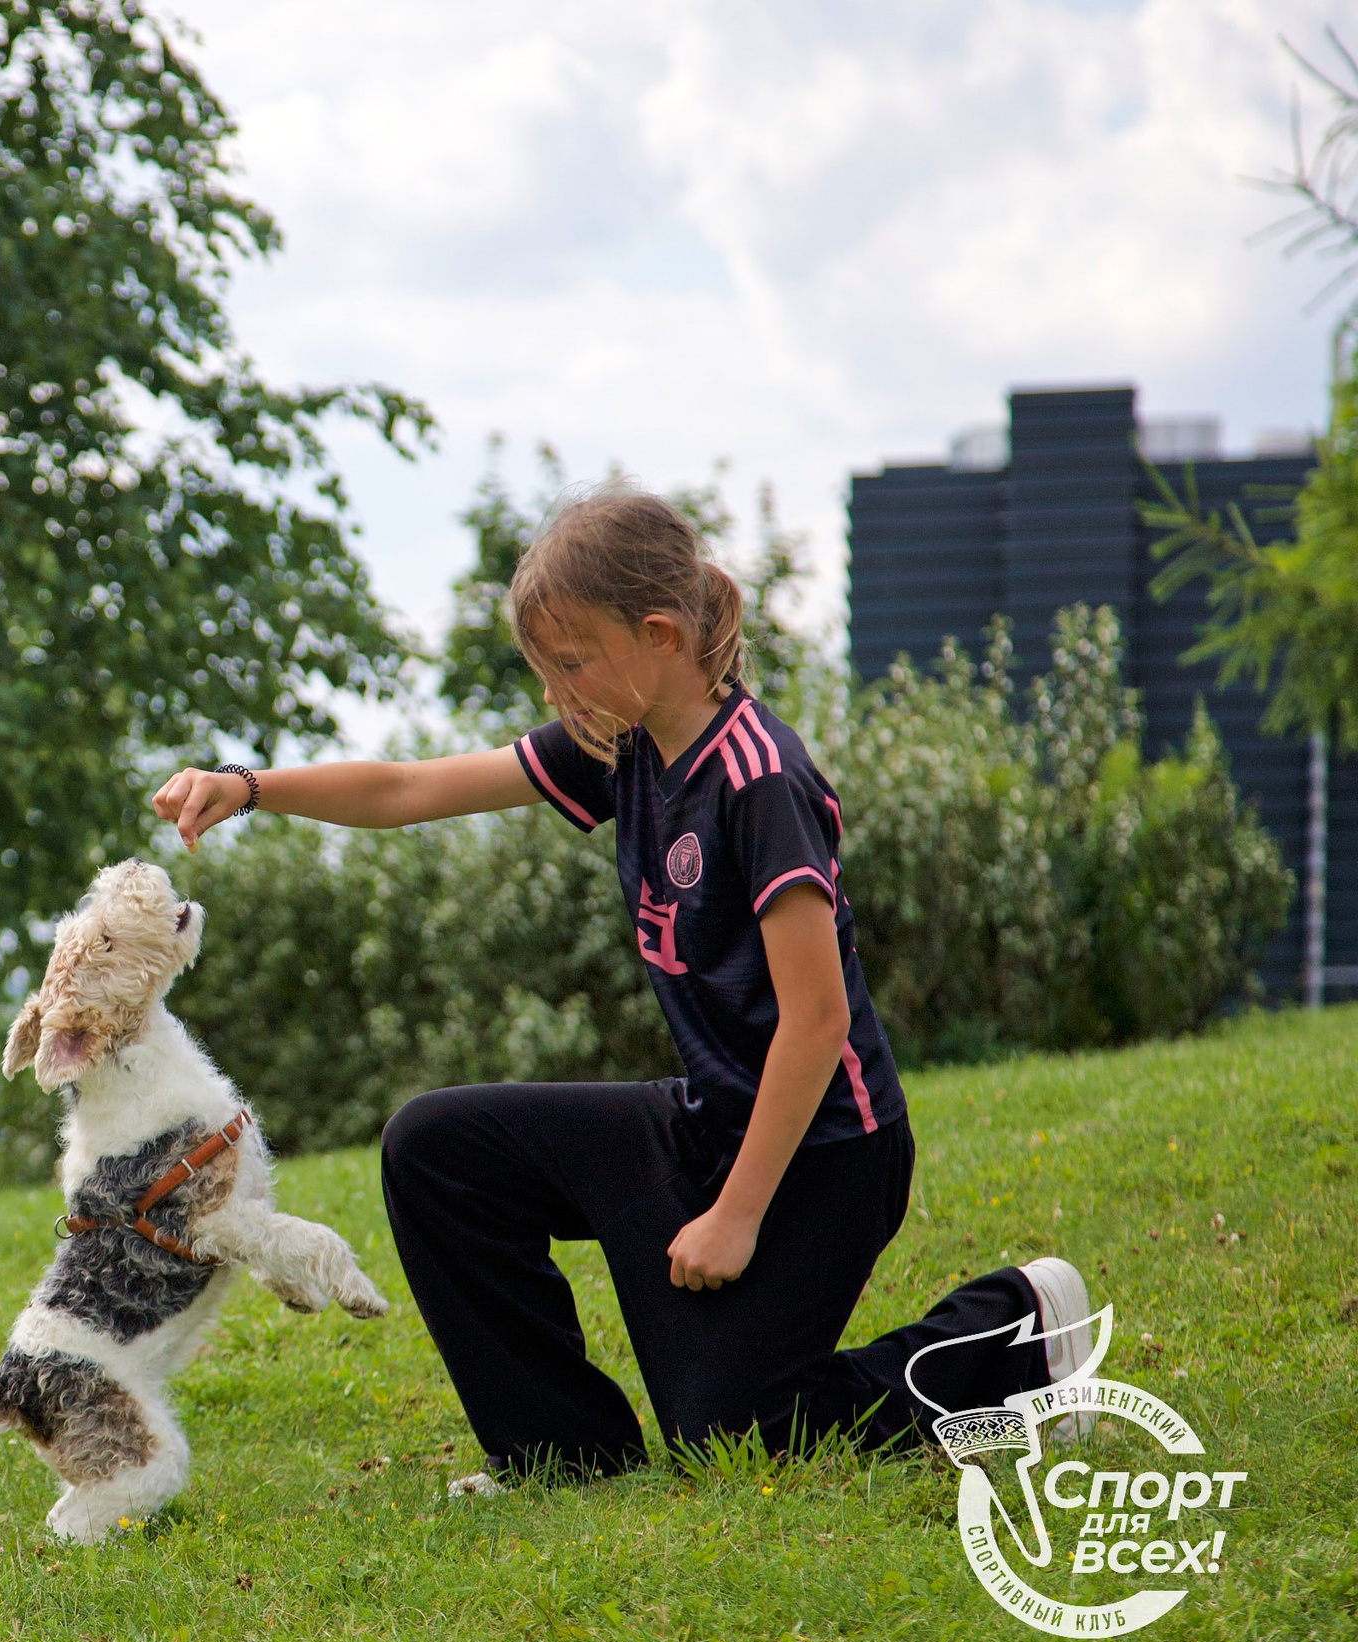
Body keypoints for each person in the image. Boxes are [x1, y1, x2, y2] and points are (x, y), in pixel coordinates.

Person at [152, 484, 1092, 1482]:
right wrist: (246, 788)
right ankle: (561, 1455)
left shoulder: (759, 781)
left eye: (570, 663)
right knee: (438, 1149)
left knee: (737, 1435)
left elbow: (815, 1023)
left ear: (655, 635)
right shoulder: (624, 744)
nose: (556, 693)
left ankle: (1018, 1331)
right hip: (706, 1119)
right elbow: (409, 788)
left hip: (825, 1153)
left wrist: (733, 1215)